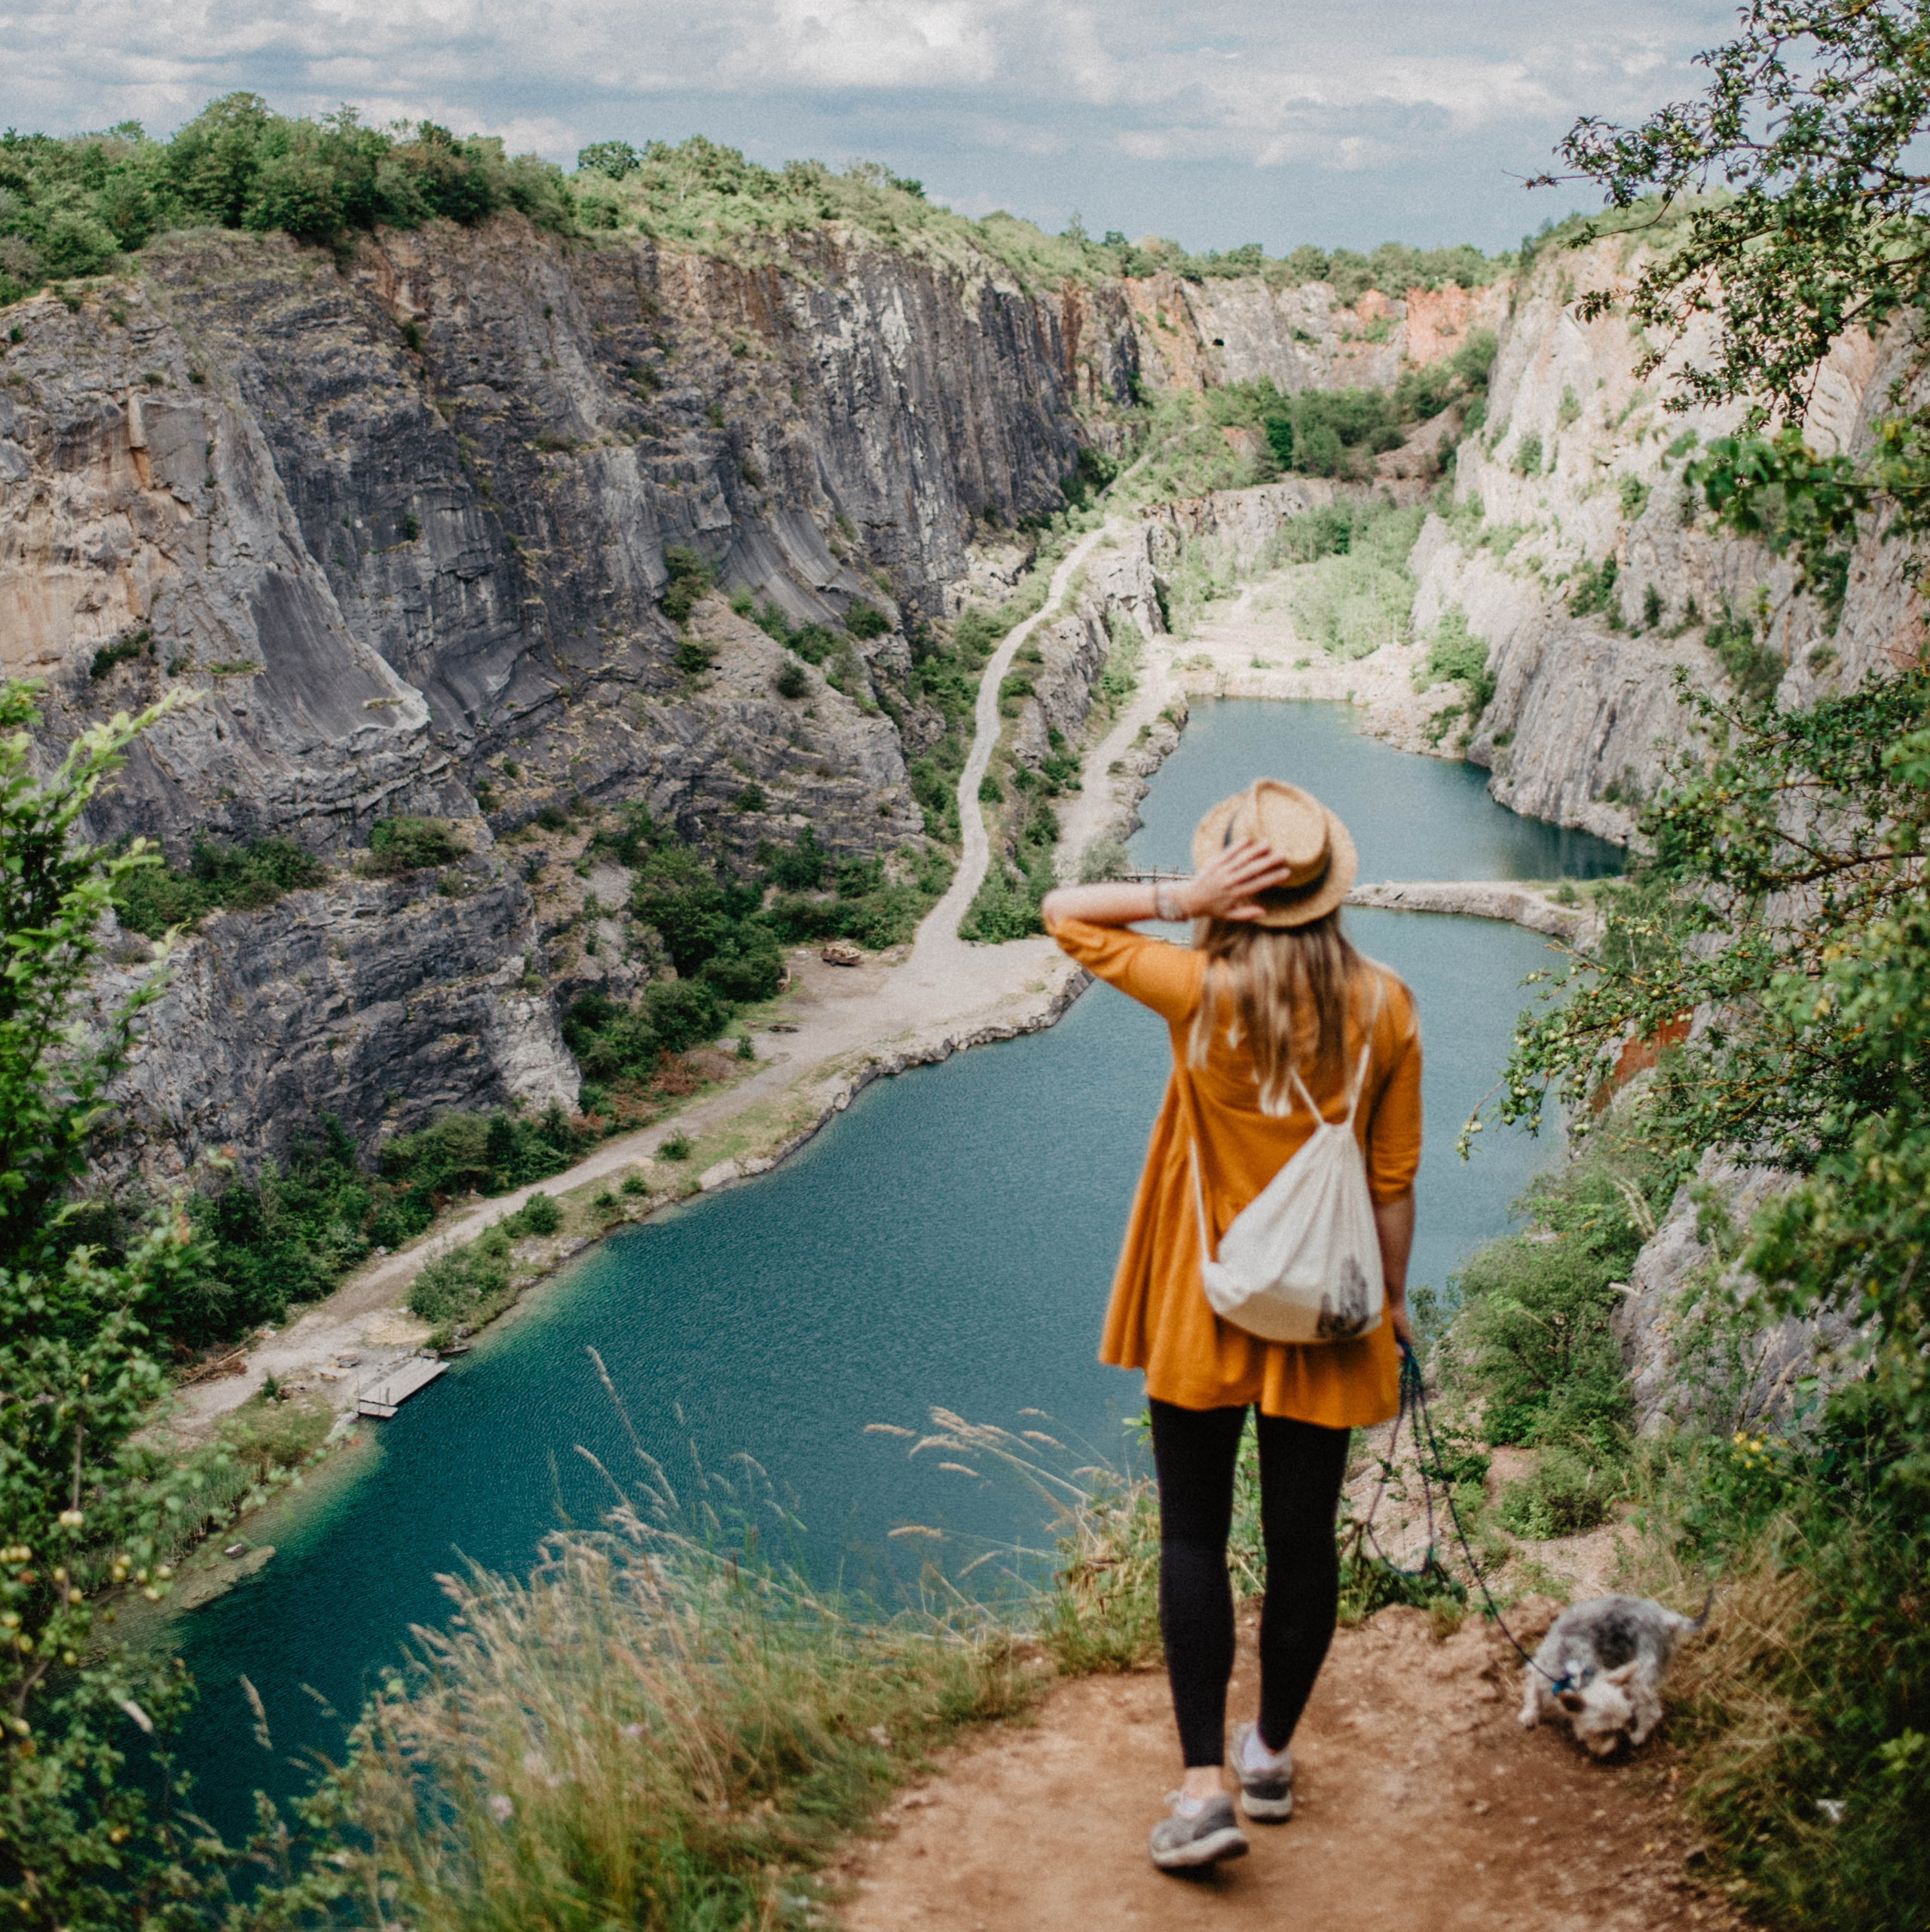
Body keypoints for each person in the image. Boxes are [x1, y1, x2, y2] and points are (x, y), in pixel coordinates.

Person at [1040, 777, 1421, 1872]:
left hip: (1205, 1297)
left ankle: (1202, 1789)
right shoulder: (1385, 1007)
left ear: (1239, 887)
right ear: (1326, 890)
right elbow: (1391, 1183)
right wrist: (1390, 1302)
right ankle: (1269, 1757)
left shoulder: (1198, 989)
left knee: (1191, 1536)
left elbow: (1063, 911)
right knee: (1302, 1546)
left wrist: (1182, 896)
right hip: (1328, 1312)